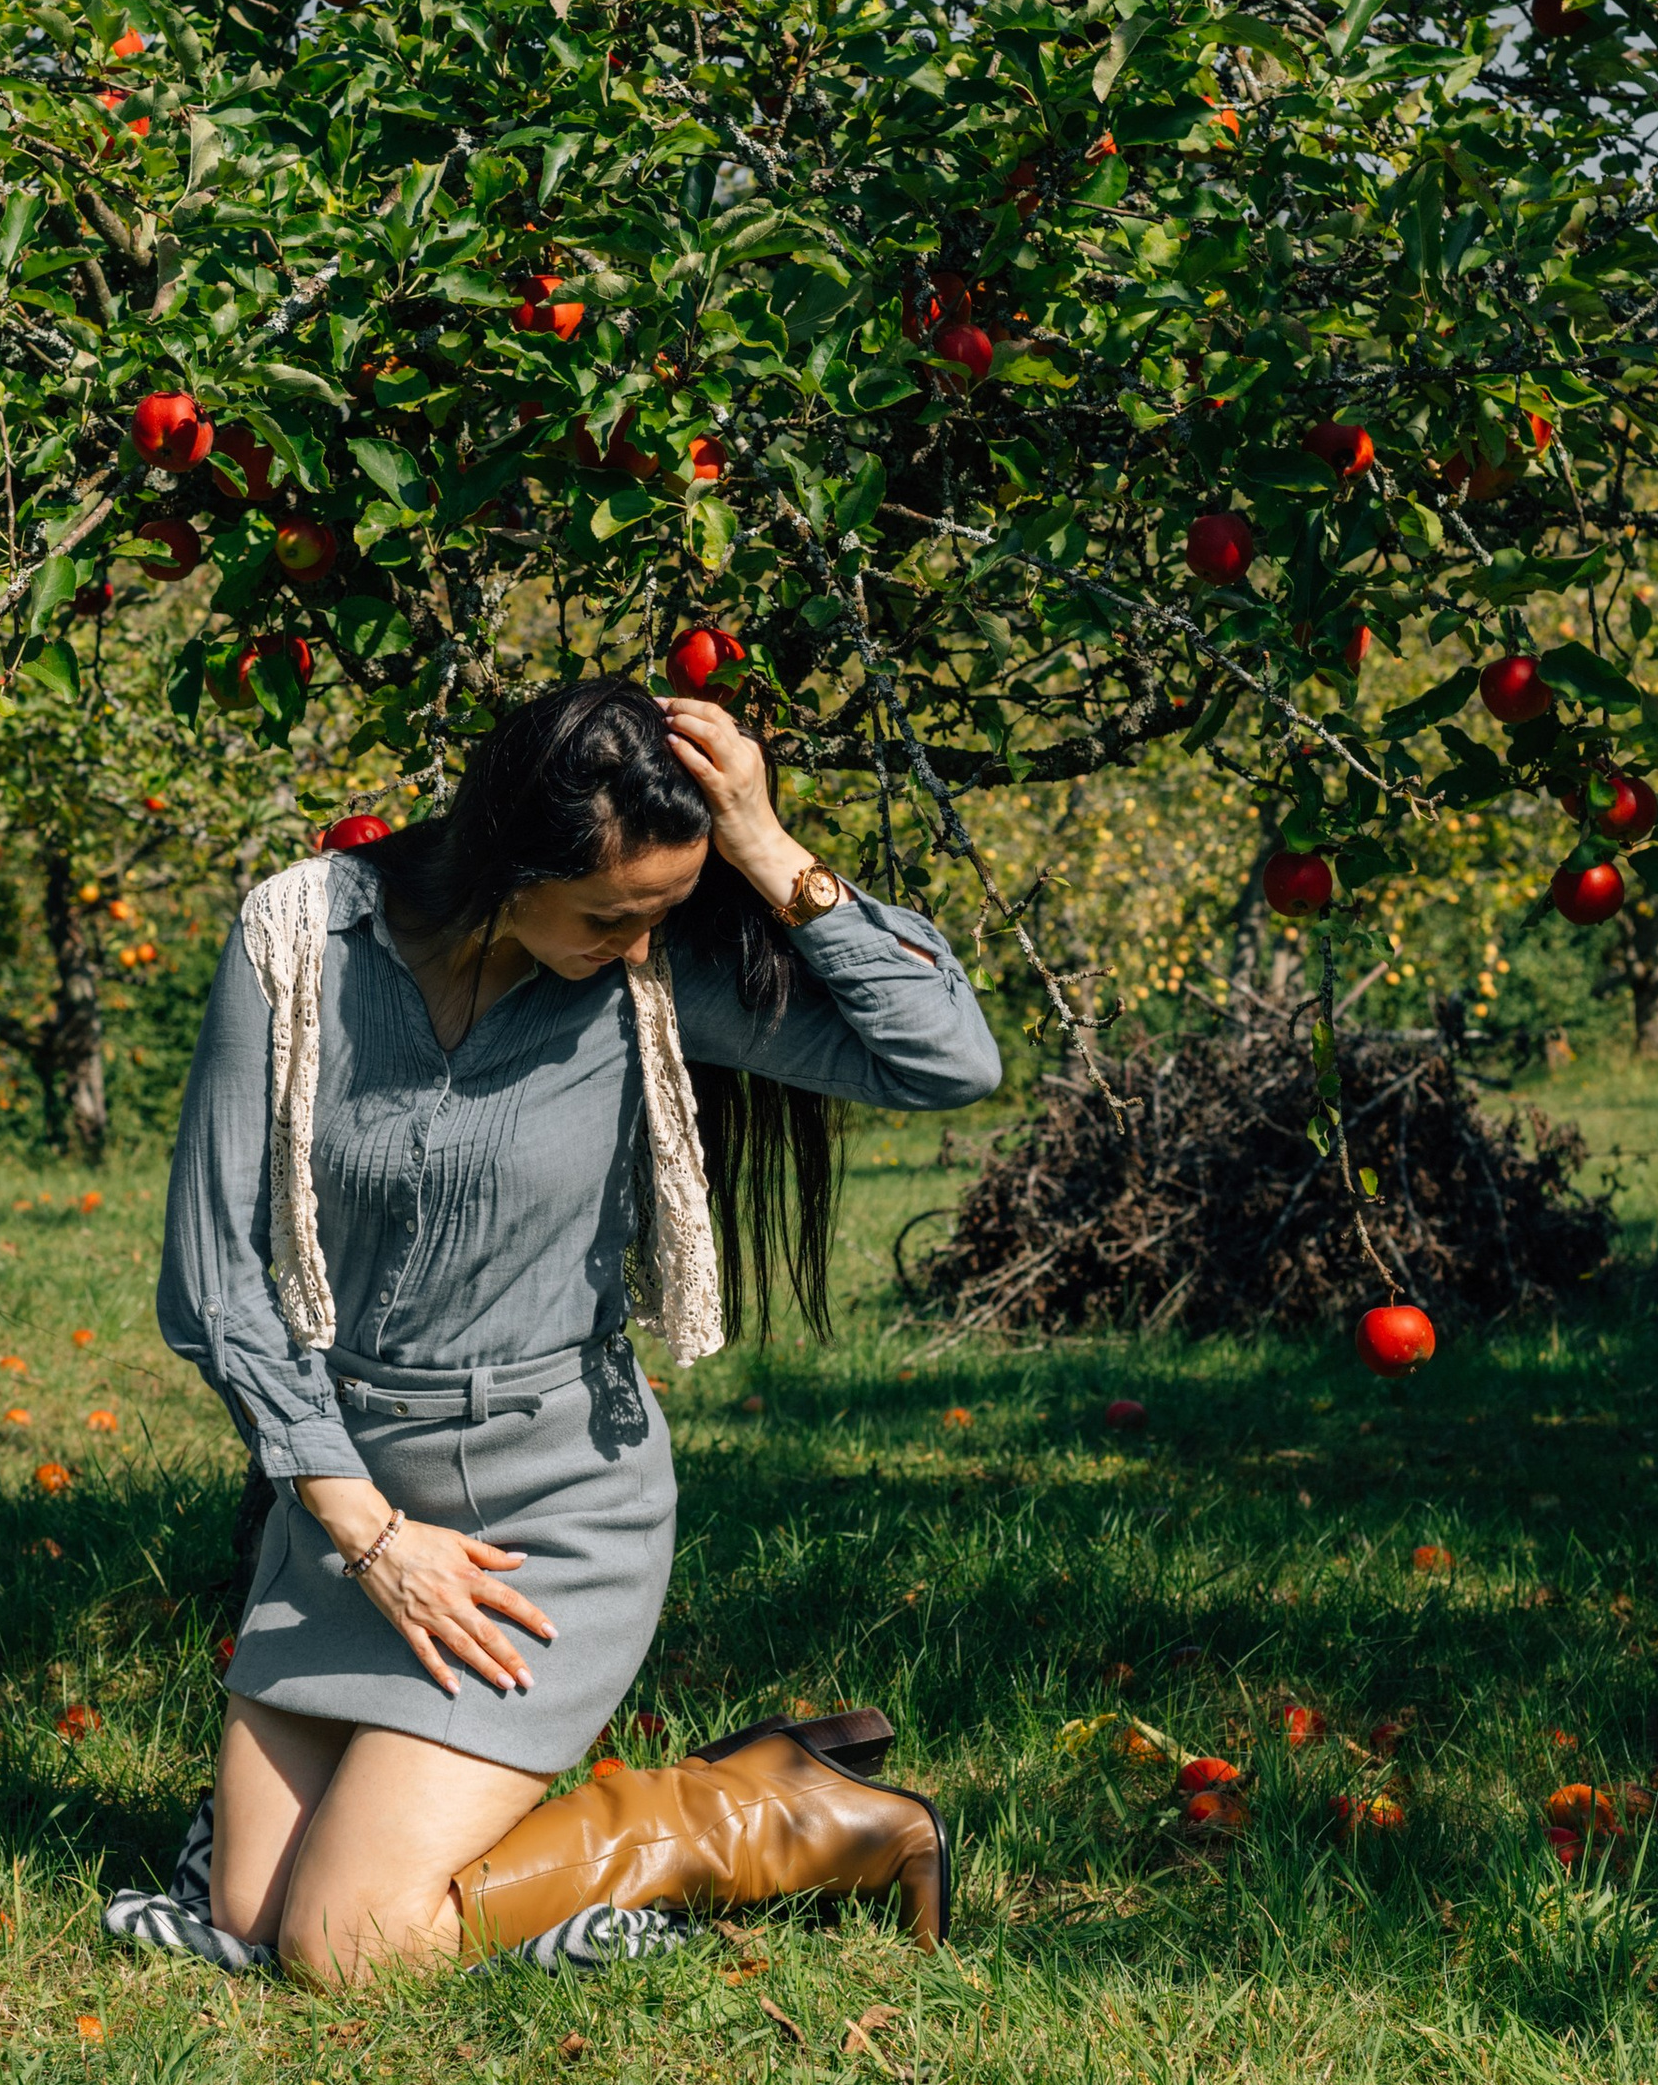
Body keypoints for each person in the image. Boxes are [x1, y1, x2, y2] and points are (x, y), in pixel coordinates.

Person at [116, 674, 1003, 1988]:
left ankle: (751, 1808)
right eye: (607, 912)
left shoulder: (649, 977)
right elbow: (214, 1282)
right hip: (351, 1510)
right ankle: (527, 1807)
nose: (642, 942)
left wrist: (762, 843)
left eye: (666, 909)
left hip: (550, 1506)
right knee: (252, 1919)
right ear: (508, 867)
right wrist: (366, 1534)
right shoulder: (302, 940)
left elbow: (949, 1058)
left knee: (349, 1950)